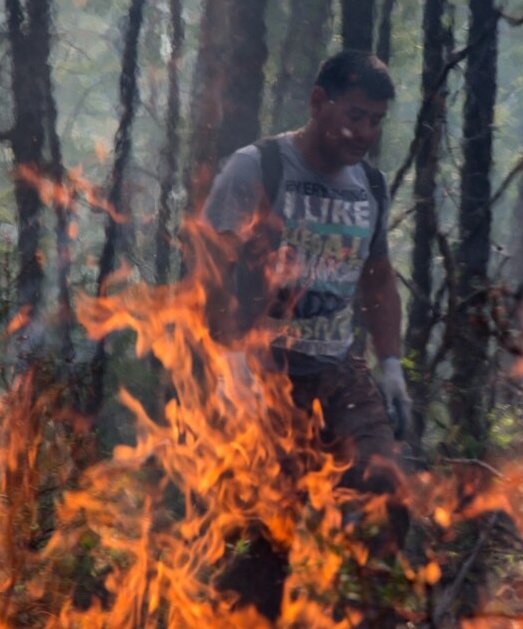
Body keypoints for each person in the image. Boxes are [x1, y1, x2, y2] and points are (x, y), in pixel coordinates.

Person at [201, 50, 411, 620]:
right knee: (267, 533)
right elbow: (212, 268)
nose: (365, 132)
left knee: (385, 493)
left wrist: (390, 365)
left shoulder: (370, 184)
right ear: (319, 103)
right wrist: (231, 365)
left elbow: (377, 275)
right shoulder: (258, 167)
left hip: (336, 367)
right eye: (356, 115)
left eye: (376, 121)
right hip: (264, 368)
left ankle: (367, 613)